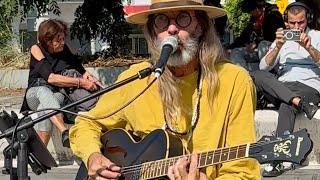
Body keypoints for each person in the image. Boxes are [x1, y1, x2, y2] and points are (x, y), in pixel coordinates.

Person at [69, 0, 261, 179]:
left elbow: (243, 171)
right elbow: (86, 123)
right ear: (153, 32)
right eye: (162, 20)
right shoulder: (138, 77)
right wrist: (93, 156)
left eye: (183, 18)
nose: (171, 29)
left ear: (200, 26)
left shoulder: (233, 80)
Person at [255, 2, 320, 177]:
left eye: (301, 23)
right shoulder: (281, 39)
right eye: (292, 23)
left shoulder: (316, 36)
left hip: (307, 86)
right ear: (286, 22)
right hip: (282, 86)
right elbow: (263, 68)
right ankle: (300, 104)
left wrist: (309, 48)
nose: (297, 27)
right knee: (256, 75)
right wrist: (277, 46)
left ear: (308, 20)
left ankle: (277, 159)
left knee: (286, 106)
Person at [20, 19, 102, 147]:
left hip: (54, 95)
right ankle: (64, 130)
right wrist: (80, 82)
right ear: (48, 41)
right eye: (58, 40)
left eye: (63, 39)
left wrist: (91, 78)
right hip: (35, 93)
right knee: (44, 91)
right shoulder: (36, 49)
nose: (62, 43)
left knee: (44, 110)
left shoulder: (65, 49)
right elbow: (51, 78)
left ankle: (41, 159)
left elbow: (81, 70)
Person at [227, 0, 266, 71]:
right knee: (234, 52)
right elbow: (244, 36)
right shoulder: (254, 19)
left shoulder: (272, 16)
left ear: (257, 9)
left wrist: (256, 43)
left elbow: (273, 36)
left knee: (236, 53)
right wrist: (230, 47)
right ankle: (244, 73)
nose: (250, 14)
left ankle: (244, 75)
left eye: (251, 12)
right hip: (254, 50)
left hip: (267, 50)